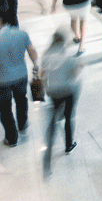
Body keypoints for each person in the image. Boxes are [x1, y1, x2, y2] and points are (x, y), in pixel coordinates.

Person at [0, 9, 38, 147]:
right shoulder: (22, 34)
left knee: (5, 109)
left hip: (1, 82)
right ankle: (23, 124)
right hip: (21, 76)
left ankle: (12, 138)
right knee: (21, 100)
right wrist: (36, 65)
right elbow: (32, 50)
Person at [40, 31, 82, 173]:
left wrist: (46, 88)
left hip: (53, 92)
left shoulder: (46, 56)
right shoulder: (67, 57)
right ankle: (69, 145)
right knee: (70, 117)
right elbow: (73, 74)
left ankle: (50, 141)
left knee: (55, 115)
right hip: (68, 91)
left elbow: (42, 75)